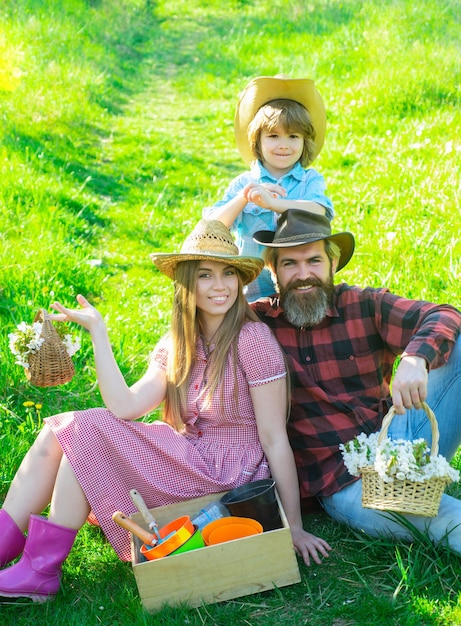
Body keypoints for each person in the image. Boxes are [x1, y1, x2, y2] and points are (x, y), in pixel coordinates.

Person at [0, 219, 331, 603]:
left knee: (84, 432)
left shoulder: (252, 340)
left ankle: (40, 570)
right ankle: (16, 553)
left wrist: (293, 526)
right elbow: (126, 407)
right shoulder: (179, 342)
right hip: (186, 457)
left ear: (241, 281)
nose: (219, 286)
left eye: (228, 274)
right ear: (186, 283)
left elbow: (274, 439)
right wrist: (99, 333)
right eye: (205, 275)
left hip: (227, 474)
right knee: (72, 432)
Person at [251, 209, 461, 553]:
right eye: (290, 264)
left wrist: (415, 358)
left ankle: (418, 476)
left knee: (458, 339)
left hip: (398, 439)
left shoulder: (364, 305)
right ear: (273, 273)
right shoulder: (259, 325)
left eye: (314, 261)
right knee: (443, 517)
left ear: (333, 264)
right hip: (342, 483)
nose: (304, 275)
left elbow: (445, 314)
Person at [203, 75, 334, 302]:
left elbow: (319, 210)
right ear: (258, 141)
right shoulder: (244, 183)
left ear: (305, 142)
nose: (284, 145)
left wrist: (275, 204)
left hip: (298, 286)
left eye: (293, 136)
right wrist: (243, 199)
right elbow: (213, 227)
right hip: (252, 291)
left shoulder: (309, 180)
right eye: (273, 136)